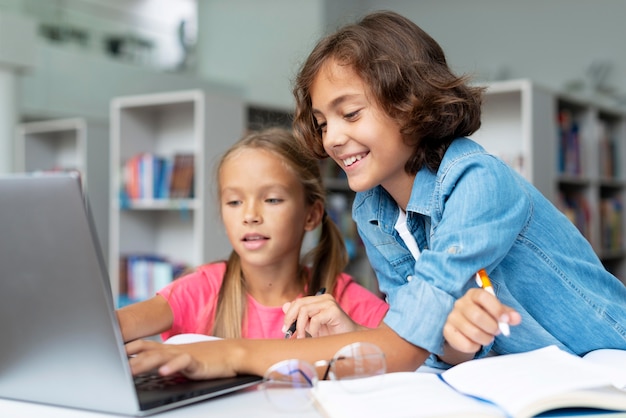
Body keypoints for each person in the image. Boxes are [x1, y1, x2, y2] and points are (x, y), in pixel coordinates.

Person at [125, 10, 626, 380]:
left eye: (350, 113)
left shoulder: (478, 182)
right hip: (528, 381)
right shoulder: (375, 210)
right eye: (323, 123)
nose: (332, 138)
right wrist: (360, 336)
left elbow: (404, 348)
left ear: (410, 102)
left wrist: (229, 354)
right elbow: (432, 350)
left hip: (606, 367)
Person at [117, 127, 388, 343]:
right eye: (234, 203)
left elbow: (417, 354)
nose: (249, 215)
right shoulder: (200, 289)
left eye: (271, 200)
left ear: (311, 215)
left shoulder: (345, 299)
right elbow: (111, 329)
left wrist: (354, 334)